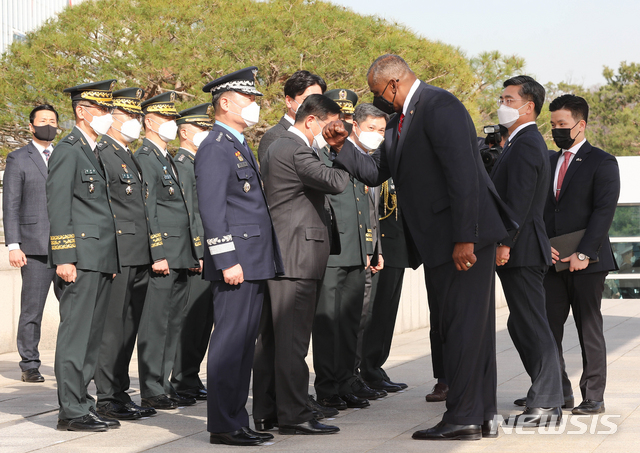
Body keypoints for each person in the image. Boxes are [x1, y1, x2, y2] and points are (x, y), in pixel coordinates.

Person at [324, 54, 514, 441]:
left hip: (463, 240)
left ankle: (463, 416)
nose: (378, 100)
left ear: (393, 85)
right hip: (442, 241)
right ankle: (482, 414)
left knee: (462, 328)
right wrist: (343, 146)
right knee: (465, 327)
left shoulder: (440, 105)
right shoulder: (400, 121)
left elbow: (463, 174)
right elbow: (376, 171)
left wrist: (466, 237)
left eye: (378, 92)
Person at [196, 66, 284, 447]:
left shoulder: (237, 143)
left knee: (244, 345)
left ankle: (237, 418)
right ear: (226, 102)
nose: (254, 108)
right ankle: (223, 424)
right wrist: (227, 259)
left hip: (252, 259)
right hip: (236, 262)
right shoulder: (215, 146)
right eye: (248, 101)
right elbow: (213, 211)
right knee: (230, 344)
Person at [252, 93, 347, 436]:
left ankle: (267, 411)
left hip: (286, 254)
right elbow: (336, 182)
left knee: (274, 341)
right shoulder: (295, 148)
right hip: (297, 257)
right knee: (292, 342)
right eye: (328, 125)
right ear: (311, 121)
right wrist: (339, 150)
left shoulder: (279, 146)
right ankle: (294, 414)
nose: (332, 132)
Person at [490, 75, 564, 426]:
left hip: (520, 249)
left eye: (508, 99)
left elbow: (518, 200)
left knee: (532, 323)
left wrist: (505, 242)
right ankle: (546, 390)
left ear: (528, 105)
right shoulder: (517, 142)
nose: (502, 104)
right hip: (523, 247)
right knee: (521, 323)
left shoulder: (527, 142)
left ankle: (548, 401)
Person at [47, 80, 121, 431]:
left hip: (100, 257)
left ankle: (84, 403)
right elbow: (59, 206)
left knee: (92, 337)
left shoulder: (94, 150)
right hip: (79, 258)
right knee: (76, 336)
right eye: (103, 109)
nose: (108, 116)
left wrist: (112, 259)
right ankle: (71, 411)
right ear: (82, 110)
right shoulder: (69, 149)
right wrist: (64, 257)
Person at [542, 94, 620, 415]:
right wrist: (541, 243)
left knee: (588, 328)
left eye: (563, 125)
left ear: (580, 124)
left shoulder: (602, 162)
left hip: (588, 261)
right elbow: (537, 207)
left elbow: (603, 212)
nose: (557, 130)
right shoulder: (547, 161)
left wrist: (584, 253)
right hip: (551, 260)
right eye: (553, 125)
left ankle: (594, 397)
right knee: (547, 329)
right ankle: (558, 392)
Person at [314, 91, 384, 408]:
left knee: (350, 323)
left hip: (357, 249)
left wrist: (370, 245)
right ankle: (328, 388)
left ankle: (345, 382)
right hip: (332, 251)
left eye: (345, 117)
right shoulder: (317, 152)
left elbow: (364, 204)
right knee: (329, 325)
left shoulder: (353, 153)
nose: (340, 122)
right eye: (335, 116)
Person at [93, 87, 157, 420]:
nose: (134, 122)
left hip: (138, 251)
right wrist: (111, 254)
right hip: (120, 252)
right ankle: (106, 396)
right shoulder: (103, 152)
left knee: (128, 328)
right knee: (112, 328)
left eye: (136, 116)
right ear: (112, 118)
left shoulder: (126, 153)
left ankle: (119, 391)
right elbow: (106, 208)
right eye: (128, 116)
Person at [135, 91, 201, 410]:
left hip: (180, 252)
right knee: (156, 322)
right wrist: (157, 251)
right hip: (164, 254)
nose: (172, 124)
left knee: (174, 322)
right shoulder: (145, 157)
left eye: (174, 119)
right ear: (149, 121)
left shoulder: (166, 157)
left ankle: (163, 382)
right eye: (166, 119)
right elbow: (149, 209)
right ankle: (150, 386)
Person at [3, 104, 61, 383]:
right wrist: (13, 244)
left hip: (68, 247)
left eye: (52, 120)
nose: (48, 124)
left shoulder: (65, 155)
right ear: (31, 126)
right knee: (32, 309)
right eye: (43, 120)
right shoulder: (18, 158)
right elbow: (10, 204)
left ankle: (73, 361)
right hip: (34, 247)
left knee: (76, 309)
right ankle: (29, 363)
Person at [170, 103, 215, 401]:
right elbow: (191, 213)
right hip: (196, 253)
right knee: (190, 320)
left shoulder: (199, 162)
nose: (205, 134)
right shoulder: (183, 164)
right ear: (185, 132)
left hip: (208, 251)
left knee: (203, 319)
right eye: (201, 129)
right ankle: (181, 377)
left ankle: (191, 374)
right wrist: (199, 249)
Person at [360, 177, 411, 392]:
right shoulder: (373, 165)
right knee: (373, 313)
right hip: (379, 248)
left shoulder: (399, 166)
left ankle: (375, 365)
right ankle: (366, 369)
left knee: (386, 314)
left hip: (397, 248)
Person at [257, 70, 326, 164]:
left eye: (318, 99)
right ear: (289, 101)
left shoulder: (317, 134)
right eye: (307, 99)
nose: (314, 105)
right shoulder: (275, 136)